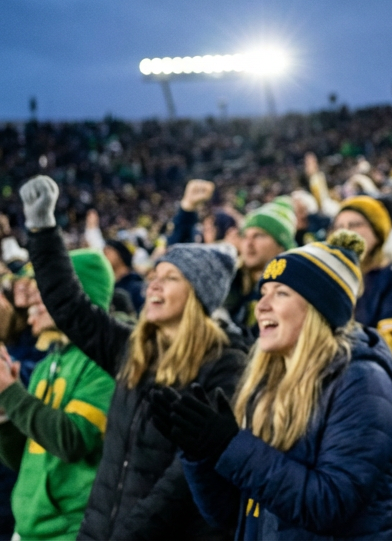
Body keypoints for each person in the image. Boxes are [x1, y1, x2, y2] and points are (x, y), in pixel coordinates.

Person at [19, 175, 247, 540]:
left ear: (199, 296)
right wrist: (43, 228)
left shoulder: (224, 365)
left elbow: (181, 482)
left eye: (170, 278)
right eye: (154, 275)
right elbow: (70, 307)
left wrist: (129, 534)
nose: (152, 285)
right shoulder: (132, 348)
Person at [164, 230, 392, 540]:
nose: (261, 306)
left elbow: (327, 504)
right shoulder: (268, 383)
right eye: (263, 292)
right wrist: (200, 455)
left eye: (280, 292)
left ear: (319, 306)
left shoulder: (363, 383)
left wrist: (230, 446)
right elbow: (228, 514)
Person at [0, 248, 115, 541]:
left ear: (76, 294)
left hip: (69, 531)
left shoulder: (103, 363)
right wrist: (3, 414)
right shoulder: (48, 363)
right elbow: (26, 457)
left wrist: (11, 393)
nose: (32, 302)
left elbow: (71, 440)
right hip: (29, 527)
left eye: (45, 291)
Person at [333, 196, 392, 538]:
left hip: (388, 414)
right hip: (337, 414)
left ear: (379, 233)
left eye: (356, 226)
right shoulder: (335, 282)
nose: (346, 233)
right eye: (338, 227)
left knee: (381, 519)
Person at [224, 200, 297, 337]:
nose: (249, 244)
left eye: (259, 235)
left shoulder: (292, 291)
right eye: (245, 236)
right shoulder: (233, 283)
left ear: (281, 246)